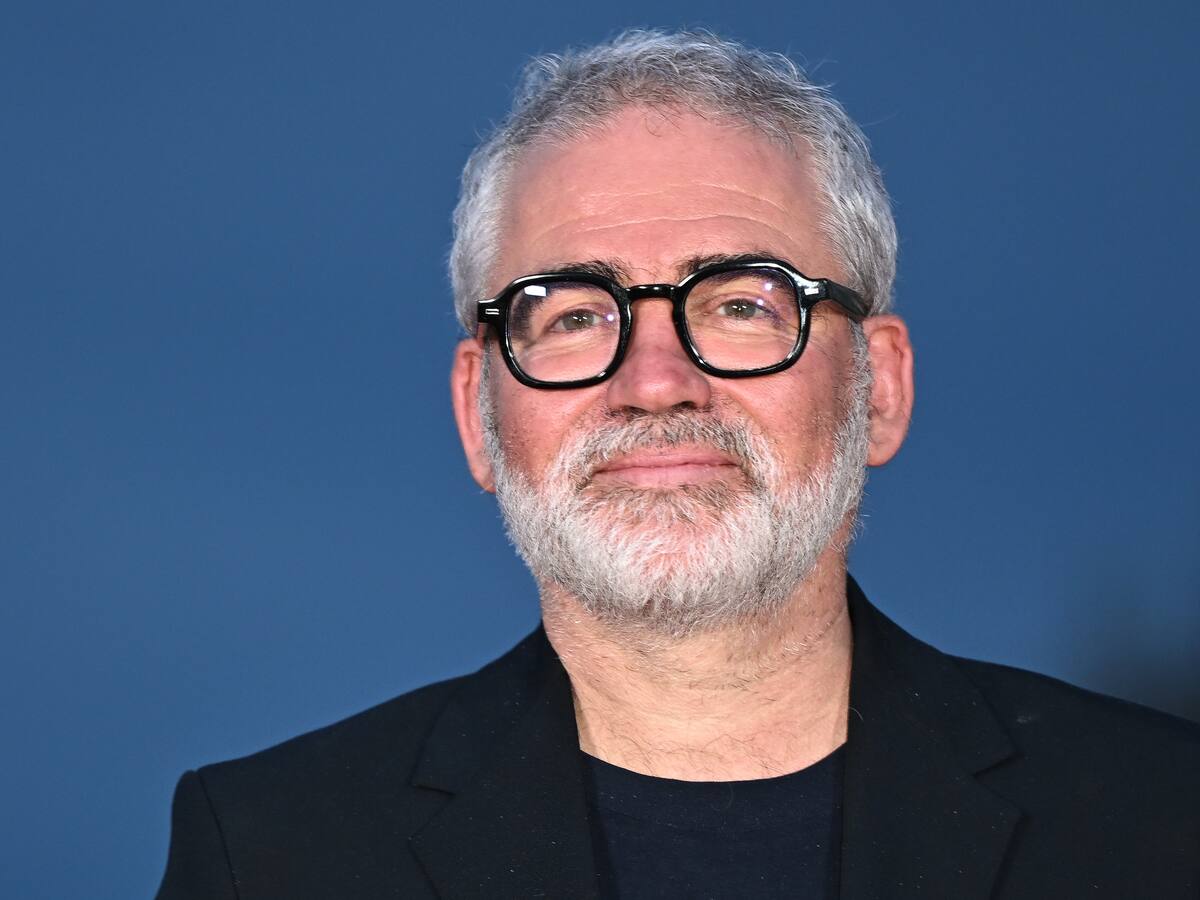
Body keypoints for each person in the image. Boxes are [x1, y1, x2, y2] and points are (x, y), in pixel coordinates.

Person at [156, 30, 1199, 899]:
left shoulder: (1161, 821)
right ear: (478, 413)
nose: (655, 382)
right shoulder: (271, 854)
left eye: (741, 304)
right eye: (572, 316)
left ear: (879, 387)